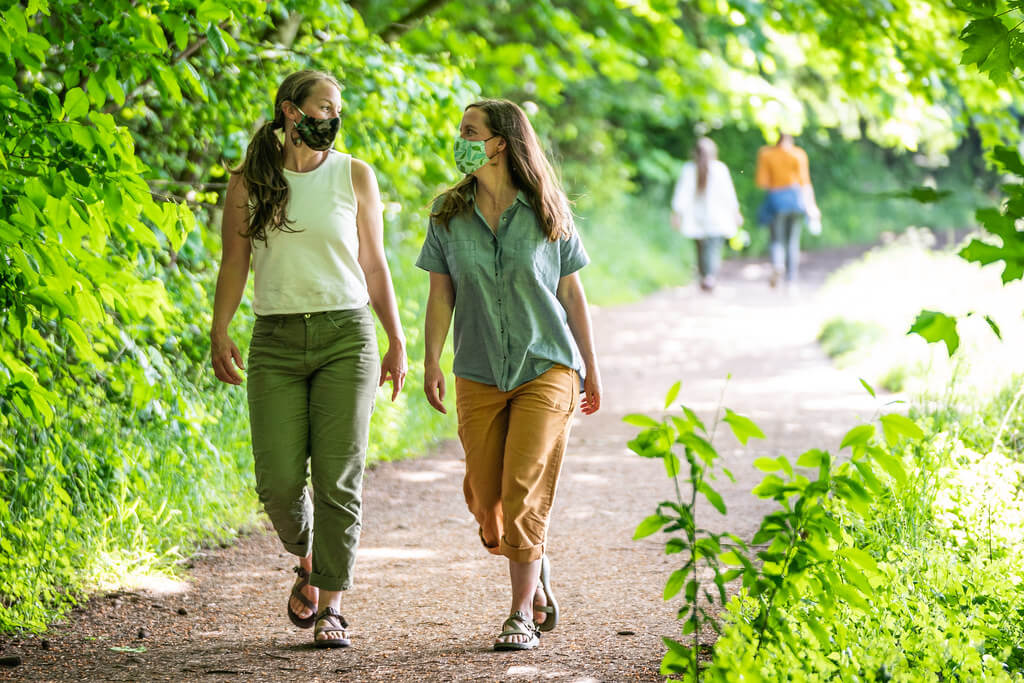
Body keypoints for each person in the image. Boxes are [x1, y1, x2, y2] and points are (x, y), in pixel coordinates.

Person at [210, 69, 407, 649]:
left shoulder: (354, 175)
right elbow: (234, 264)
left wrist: (396, 339)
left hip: (347, 335)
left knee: (338, 479)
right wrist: (220, 328)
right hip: (273, 339)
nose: (332, 118)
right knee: (276, 482)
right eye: (323, 108)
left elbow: (374, 265)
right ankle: (311, 553)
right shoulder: (250, 181)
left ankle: (333, 608)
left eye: (337, 110)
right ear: (291, 112)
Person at [416, 99, 602, 651]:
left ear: (499, 143)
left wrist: (592, 365)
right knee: (485, 498)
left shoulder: (547, 209)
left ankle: (520, 613)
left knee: (522, 490)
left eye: (470, 131)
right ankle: (534, 558)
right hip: (478, 369)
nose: (461, 138)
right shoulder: (447, 213)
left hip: (546, 365)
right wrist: (431, 359)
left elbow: (572, 291)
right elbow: (440, 293)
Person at [670, 137, 743, 292]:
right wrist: (735, 213)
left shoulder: (689, 169)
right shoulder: (720, 169)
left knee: (701, 248)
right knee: (713, 249)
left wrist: (677, 213)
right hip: (718, 217)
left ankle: (705, 275)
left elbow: (682, 193)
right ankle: (710, 276)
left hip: (696, 217)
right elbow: (729, 194)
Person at [755, 133, 821, 287]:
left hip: (777, 201)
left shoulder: (766, 154)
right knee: (792, 241)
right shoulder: (798, 154)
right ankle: (791, 279)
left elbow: (762, 182)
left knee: (777, 239)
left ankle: (778, 265)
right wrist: (812, 206)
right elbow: (805, 183)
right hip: (796, 200)